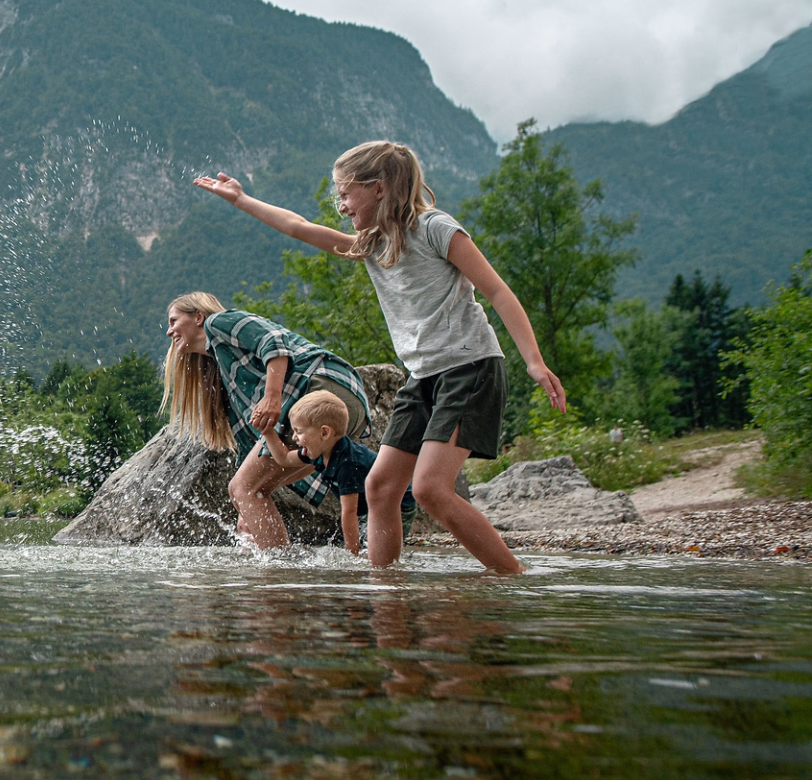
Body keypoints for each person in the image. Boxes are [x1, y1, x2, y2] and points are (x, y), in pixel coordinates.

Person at [193, 140, 567, 575]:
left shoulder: (435, 228)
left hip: (470, 368)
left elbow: (498, 291)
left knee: (429, 489)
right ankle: (385, 588)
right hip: (423, 376)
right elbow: (298, 227)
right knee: (381, 486)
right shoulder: (372, 245)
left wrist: (534, 361)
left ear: (379, 188)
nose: (342, 205)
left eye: (346, 194)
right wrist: (242, 200)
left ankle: (514, 579)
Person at [163, 291, 370, 548]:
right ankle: (283, 570)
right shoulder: (224, 371)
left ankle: (277, 572)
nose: (169, 332)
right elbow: (251, 445)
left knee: (244, 488)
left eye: (173, 321)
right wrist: (244, 508)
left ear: (198, 317)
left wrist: (272, 397)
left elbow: (274, 341)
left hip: (322, 390)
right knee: (251, 490)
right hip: (346, 409)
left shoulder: (217, 324)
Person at [261, 389, 415, 556]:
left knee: (380, 551)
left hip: (398, 504)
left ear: (324, 433)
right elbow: (284, 458)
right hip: (370, 506)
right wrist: (268, 432)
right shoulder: (319, 450)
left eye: (299, 431)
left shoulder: (348, 463)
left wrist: (351, 554)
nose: (295, 438)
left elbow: (349, 512)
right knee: (365, 544)